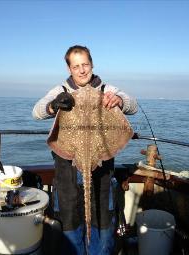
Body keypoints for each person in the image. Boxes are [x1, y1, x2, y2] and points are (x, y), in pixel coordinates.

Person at [32, 45, 137, 255]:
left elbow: (133, 105)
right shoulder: (61, 90)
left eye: (85, 65)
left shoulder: (106, 88)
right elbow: (37, 112)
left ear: (92, 64)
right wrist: (54, 105)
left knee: (102, 220)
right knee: (70, 222)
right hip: (67, 168)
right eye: (76, 66)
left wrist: (119, 100)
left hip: (101, 165)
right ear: (69, 68)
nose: (81, 70)